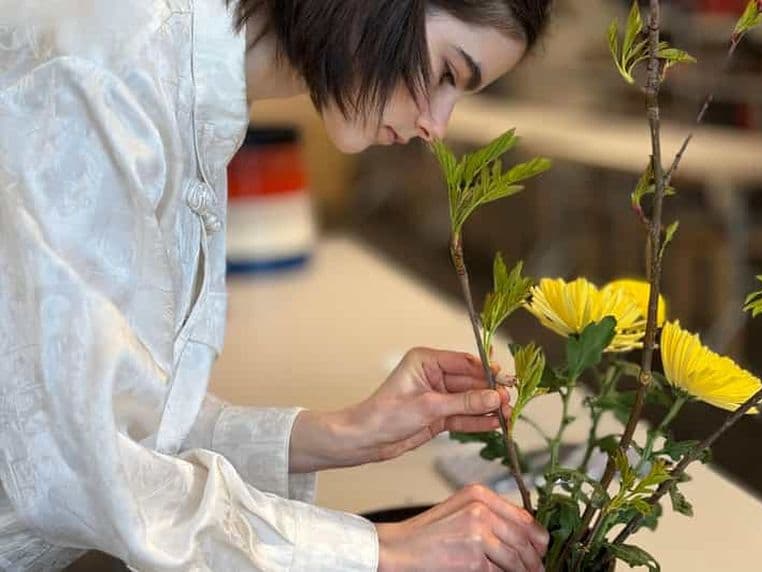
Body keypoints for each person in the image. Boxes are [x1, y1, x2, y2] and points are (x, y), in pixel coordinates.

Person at [0, 0, 553, 570]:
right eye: (445, 73)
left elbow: (121, 418)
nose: (436, 126)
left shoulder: (188, 77)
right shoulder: (109, 71)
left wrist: (342, 433)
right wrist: (381, 550)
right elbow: (75, 470)